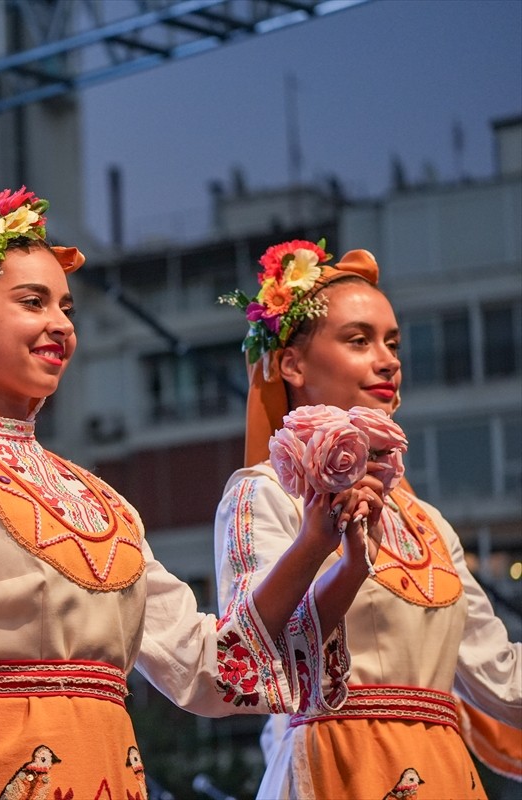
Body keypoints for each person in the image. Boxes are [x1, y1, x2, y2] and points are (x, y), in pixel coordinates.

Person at [0, 189, 383, 799]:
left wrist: (315, 545)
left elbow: (210, 668)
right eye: (33, 302)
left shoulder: (106, 506)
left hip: (107, 768)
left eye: (67, 308)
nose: (60, 324)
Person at [214, 241, 522, 798]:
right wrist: (334, 557)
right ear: (291, 363)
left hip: (442, 773)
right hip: (337, 767)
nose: (389, 359)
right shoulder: (265, 494)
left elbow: (500, 678)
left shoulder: (428, 522)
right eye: (359, 341)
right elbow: (253, 651)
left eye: (393, 342)